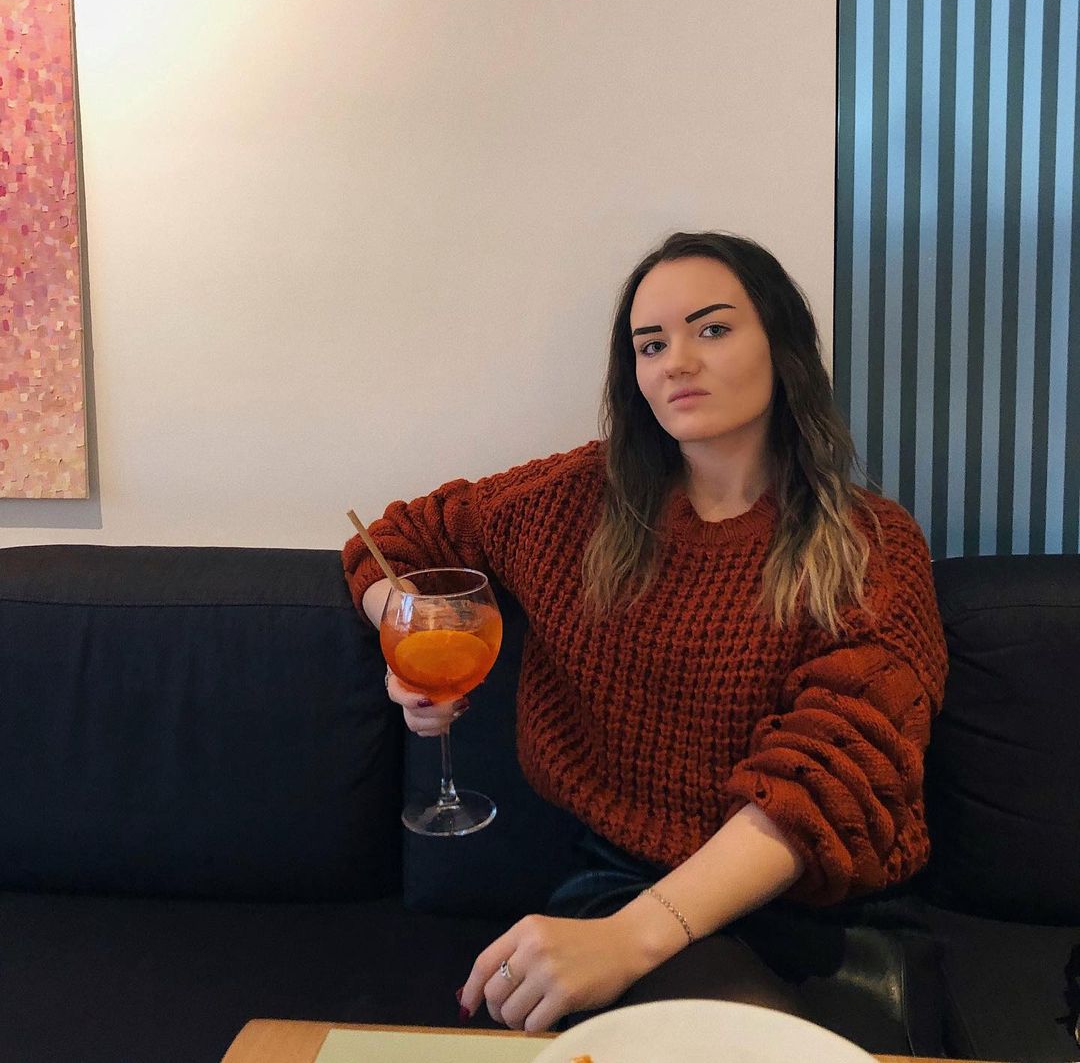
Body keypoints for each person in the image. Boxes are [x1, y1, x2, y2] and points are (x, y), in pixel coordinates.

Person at [343, 231, 947, 1035]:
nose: (676, 363)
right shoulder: (573, 503)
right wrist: (415, 640)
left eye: (713, 329)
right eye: (651, 344)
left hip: (822, 909)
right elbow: (394, 541)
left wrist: (633, 939)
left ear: (784, 346)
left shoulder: (873, 544)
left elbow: (833, 775)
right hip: (624, 882)